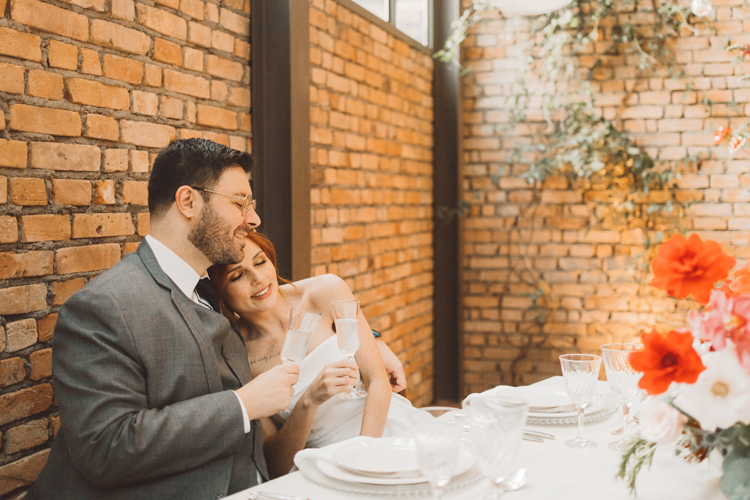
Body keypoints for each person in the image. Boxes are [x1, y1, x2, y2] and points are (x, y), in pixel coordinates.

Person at [28, 139, 300, 499]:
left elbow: (284, 293)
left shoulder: (212, 286)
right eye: (239, 203)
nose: (253, 219)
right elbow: (105, 448)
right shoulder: (102, 307)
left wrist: (366, 336)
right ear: (188, 202)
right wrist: (242, 405)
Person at [209, 232, 432, 477]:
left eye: (260, 261)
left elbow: (378, 380)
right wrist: (309, 401)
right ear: (220, 294)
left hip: (385, 433)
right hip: (326, 464)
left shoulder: (325, 291)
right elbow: (276, 465)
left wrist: (363, 460)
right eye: (238, 276)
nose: (258, 278)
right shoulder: (235, 356)